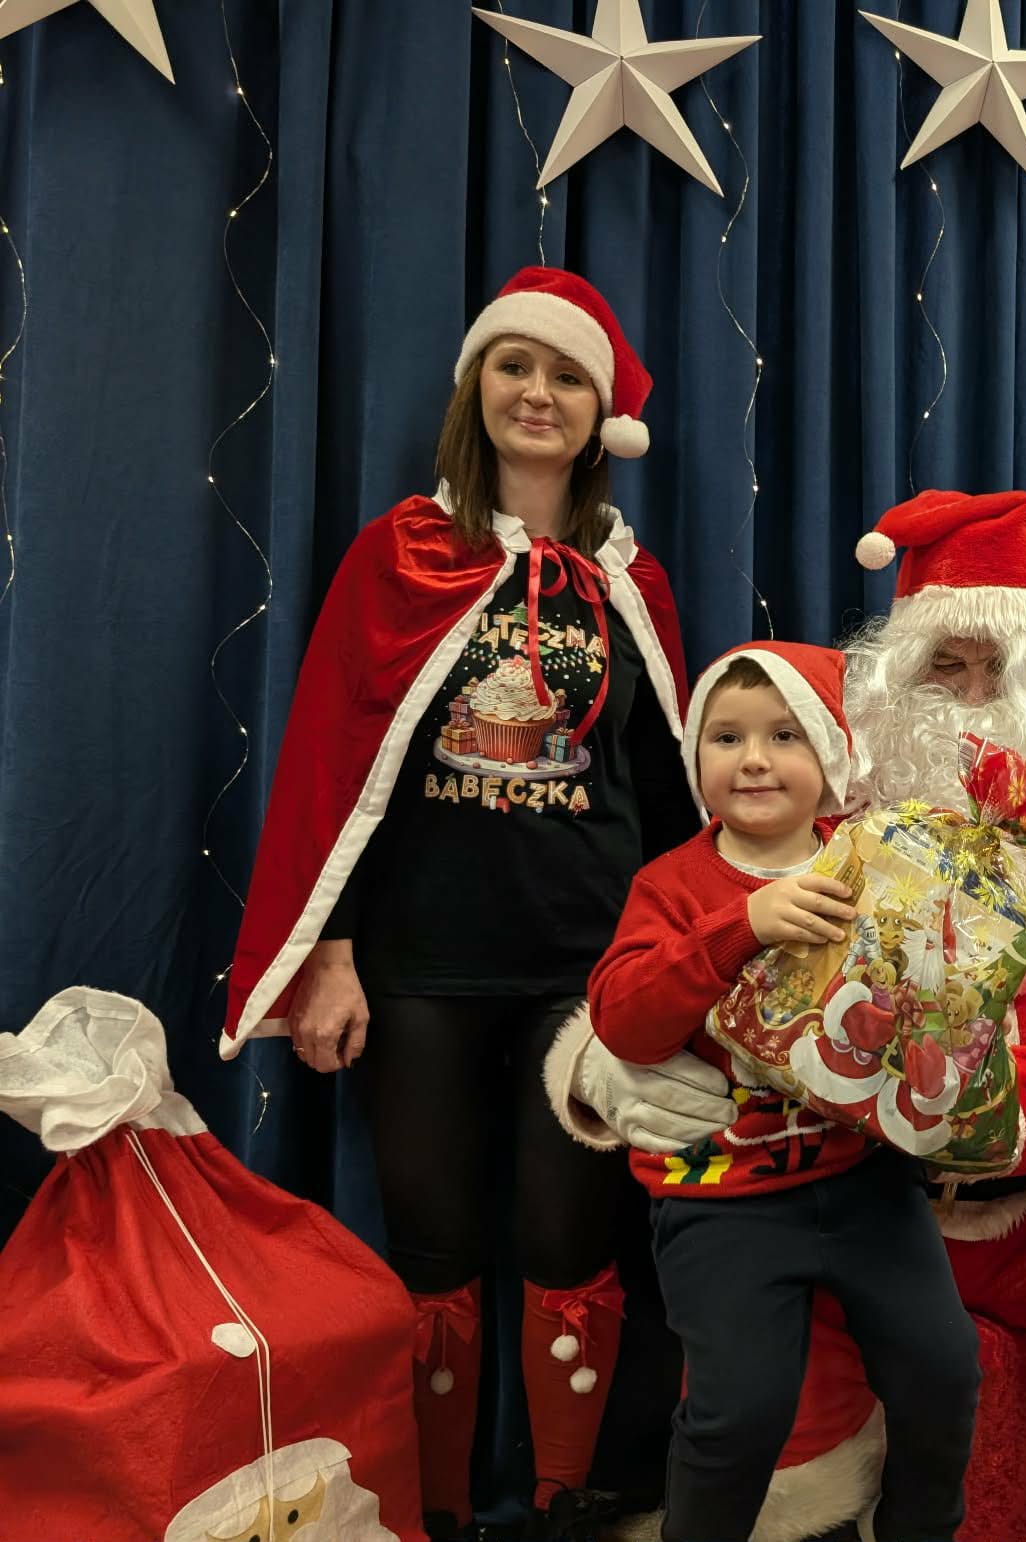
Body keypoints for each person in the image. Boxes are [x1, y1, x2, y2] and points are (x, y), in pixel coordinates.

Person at [547, 490, 1026, 1542]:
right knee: (770, 1398)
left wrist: (974, 1119)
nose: (977, 694)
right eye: (948, 664)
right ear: (900, 671)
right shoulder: (829, 779)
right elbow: (701, 923)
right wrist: (605, 1066)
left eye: (1008, 666)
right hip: (839, 1179)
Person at [223, 268, 694, 1542]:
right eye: (514, 367)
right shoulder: (401, 555)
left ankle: (559, 1503)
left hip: (584, 975)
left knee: (570, 1244)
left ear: (601, 414)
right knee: (431, 1250)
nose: (537, 394)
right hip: (420, 969)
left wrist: (686, 967)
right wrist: (327, 953)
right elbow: (332, 764)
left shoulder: (629, 584)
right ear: (475, 388)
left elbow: (668, 793)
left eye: (567, 376)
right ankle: (434, 1509)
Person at [584, 640, 983, 1542]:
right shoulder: (671, 885)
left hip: (865, 1180)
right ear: (696, 757)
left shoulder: (875, 865)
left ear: (831, 756)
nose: (754, 759)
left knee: (944, 1371)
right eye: (726, 737)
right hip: (722, 1196)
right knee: (741, 1412)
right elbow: (623, 1021)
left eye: (785, 735)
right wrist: (741, 928)